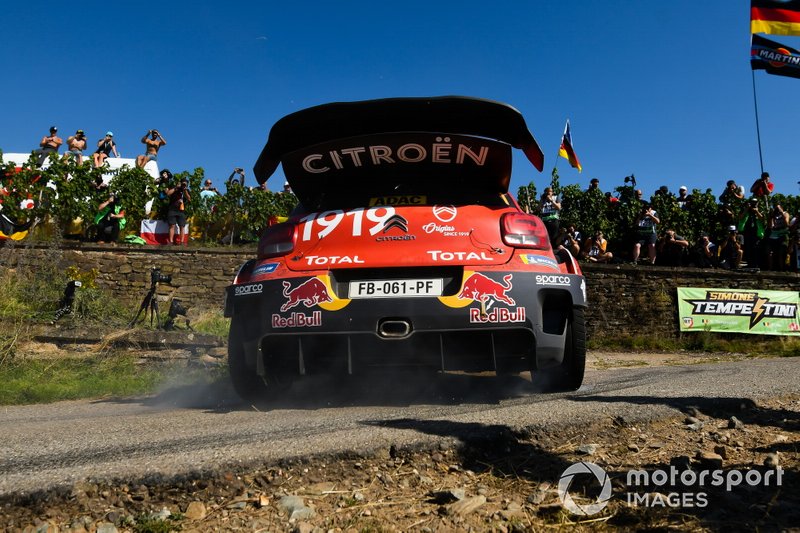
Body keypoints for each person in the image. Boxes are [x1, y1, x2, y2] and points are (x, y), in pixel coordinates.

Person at [738, 198, 766, 268]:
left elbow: (763, 220)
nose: (754, 204)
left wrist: (757, 211)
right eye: (752, 203)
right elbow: (740, 218)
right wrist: (746, 209)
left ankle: (756, 264)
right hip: (747, 232)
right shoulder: (745, 210)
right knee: (748, 248)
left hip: (757, 233)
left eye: (755, 203)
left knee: (756, 248)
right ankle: (749, 263)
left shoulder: (761, 210)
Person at [765, 203, 790, 271]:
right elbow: (770, 226)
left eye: (777, 208)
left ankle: (782, 269)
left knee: (781, 253)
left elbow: (786, 224)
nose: (777, 210)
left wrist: (781, 213)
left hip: (782, 235)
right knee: (769, 252)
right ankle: (770, 268)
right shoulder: (773, 215)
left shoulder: (785, 213)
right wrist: (771, 216)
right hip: (773, 235)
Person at [166, 176, 190, 245]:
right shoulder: (175, 188)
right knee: (172, 225)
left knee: (182, 226)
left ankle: (182, 242)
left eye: (185, 184)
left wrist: (185, 190)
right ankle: (170, 241)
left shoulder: (186, 190)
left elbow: (189, 199)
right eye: (183, 184)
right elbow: (168, 193)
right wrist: (176, 187)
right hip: (172, 209)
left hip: (181, 211)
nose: (184, 185)